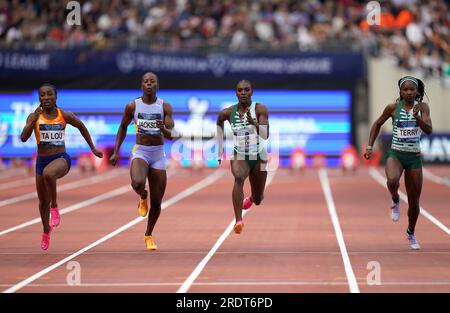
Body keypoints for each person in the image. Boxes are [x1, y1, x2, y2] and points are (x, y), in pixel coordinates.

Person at [20, 84, 103, 250]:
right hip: (42, 160)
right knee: (42, 201)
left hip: (61, 159)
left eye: (49, 95)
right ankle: (45, 231)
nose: (46, 98)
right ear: (39, 99)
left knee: (49, 174)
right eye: (42, 95)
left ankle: (55, 207)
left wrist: (92, 148)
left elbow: (80, 125)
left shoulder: (63, 114)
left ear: (55, 97)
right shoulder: (33, 116)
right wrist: (33, 121)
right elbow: (23, 137)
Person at [365, 76, 432, 250]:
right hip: (396, 153)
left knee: (414, 202)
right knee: (392, 181)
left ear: (417, 92)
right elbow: (377, 124)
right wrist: (370, 146)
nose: (409, 92)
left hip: (414, 157)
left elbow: (429, 130)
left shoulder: (423, 107)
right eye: (405, 90)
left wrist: (417, 118)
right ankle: (395, 199)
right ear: (400, 92)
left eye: (412, 90)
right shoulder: (393, 108)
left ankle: (411, 232)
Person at [109, 72, 174, 251]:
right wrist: (115, 152)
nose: (149, 84)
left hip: (158, 154)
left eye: (152, 82)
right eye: (146, 81)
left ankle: (148, 235)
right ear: (141, 86)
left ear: (157, 86)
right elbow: (122, 127)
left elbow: (171, 135)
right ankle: (142, 196)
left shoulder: (165, 107)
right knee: (137, 182)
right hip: (141, 151)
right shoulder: (133, 106)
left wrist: (164, 129)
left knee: (158, 201)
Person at [216, 80, 269, 234]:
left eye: (247, 90)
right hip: (240, 154)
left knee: (259, 198)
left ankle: (252, 199)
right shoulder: (227, 112)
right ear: (236, 93)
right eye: (240, 90)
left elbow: (266, 135)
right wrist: (220, 147)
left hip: (259, 155)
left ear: (252, 92)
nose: (243, 93)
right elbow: (219, 122)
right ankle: (238, 220)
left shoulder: (260, 109)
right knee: (238, 177)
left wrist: (254, 123)